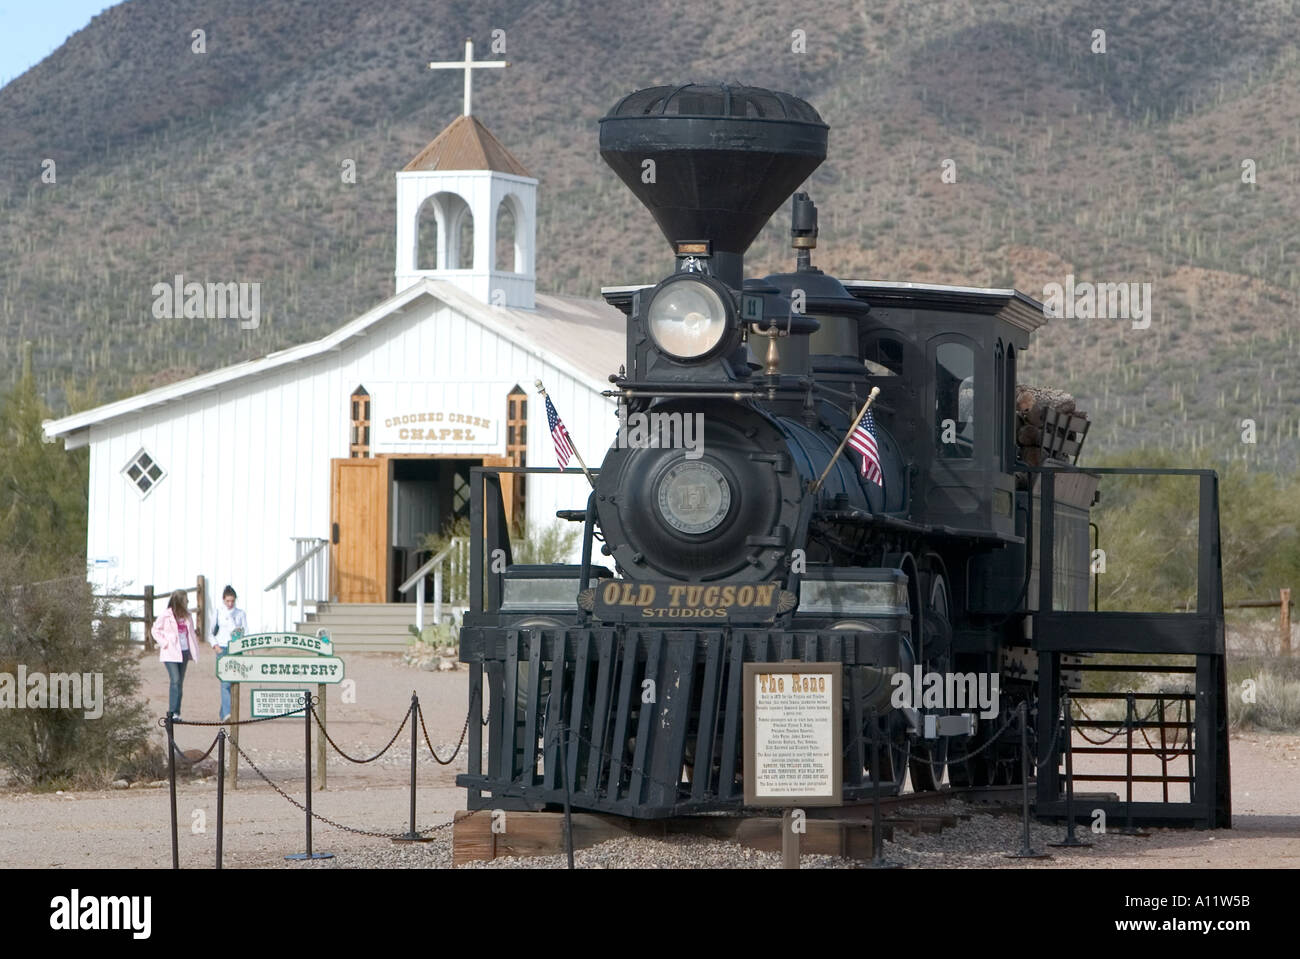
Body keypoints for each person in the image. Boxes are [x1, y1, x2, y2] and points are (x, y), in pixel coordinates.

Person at [152, 589, 200, 722]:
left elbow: (190, 633)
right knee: (175, 680)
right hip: (170, 653)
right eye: (185, 600)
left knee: (180, 683)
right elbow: (155, 629)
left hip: (183, 652)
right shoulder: (166, 615)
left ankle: (177, 713)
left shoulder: (187, 616)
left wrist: (194, 648)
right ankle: (172, 712)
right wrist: (165, 642)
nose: (188, 602)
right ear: (179, 601)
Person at [210, 585, 247, 722]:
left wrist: (248, 647)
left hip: (236, 649)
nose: (230, 604)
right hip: (223, 647)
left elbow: (245, 631)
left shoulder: (240, 613)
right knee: (225, 681)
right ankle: (227, 713)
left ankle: (224, 711)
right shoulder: (218, 612)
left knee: (233, 682)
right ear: (223, 600)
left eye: (232, 601)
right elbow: (211, 631)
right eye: (228, 601)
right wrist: (215, 646)